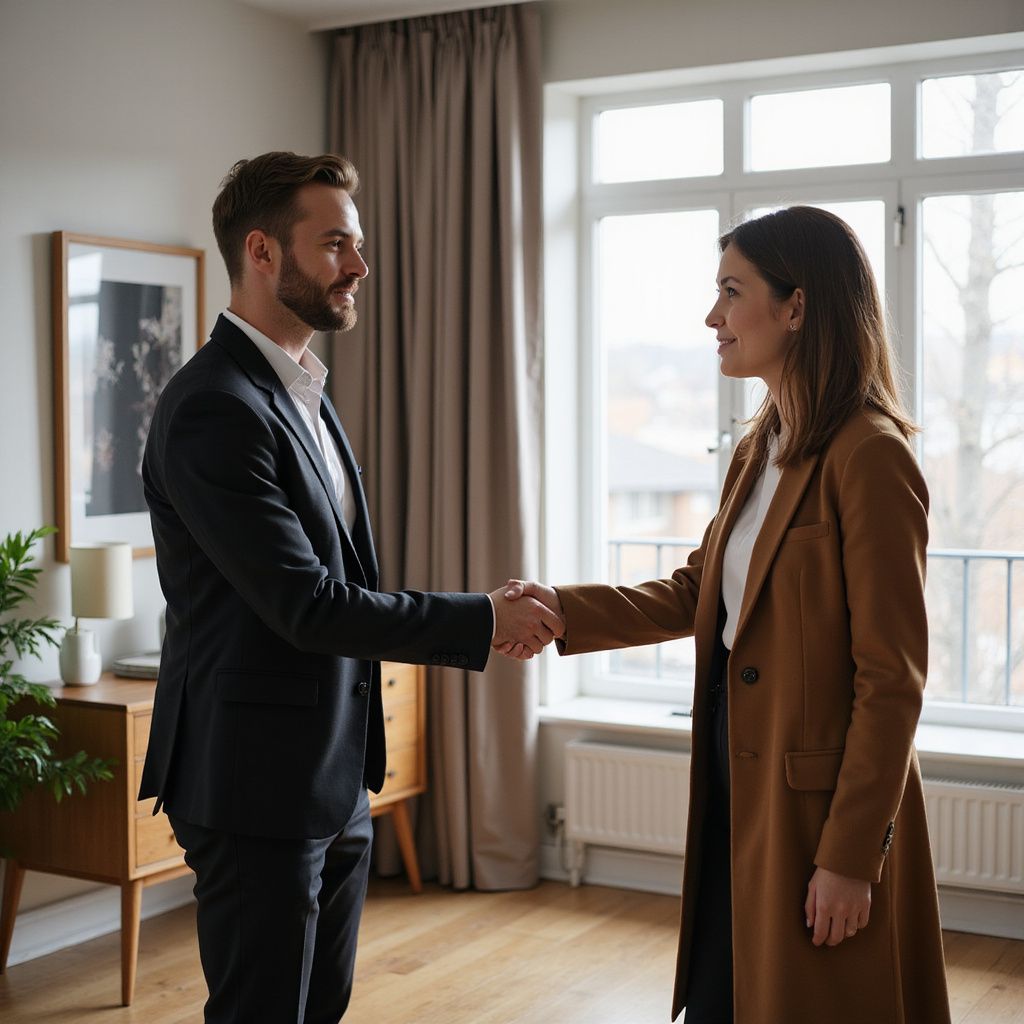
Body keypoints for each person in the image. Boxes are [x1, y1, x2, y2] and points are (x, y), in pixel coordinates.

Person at [139, 151, 563, 1024]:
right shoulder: (213, 405)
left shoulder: (304, 394)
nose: (360, 267)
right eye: (335, 244)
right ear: (262, 252)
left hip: (331, 778)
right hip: (253, 784)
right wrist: (483, 618)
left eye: (356, 244)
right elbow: (307, 605)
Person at [503, 206, 951, 1023]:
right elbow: (697, 589)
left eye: (730, 292)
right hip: (735, 772)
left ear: (798, 307)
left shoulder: (871, 455)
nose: (712, 318)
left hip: (817, 805)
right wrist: (563, 610)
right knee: (724, 993)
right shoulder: (761, 445)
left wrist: (850, 856)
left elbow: (893, 680)